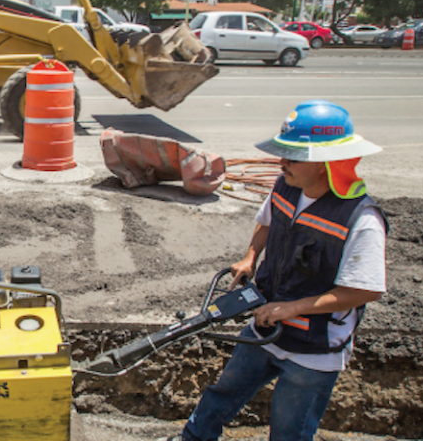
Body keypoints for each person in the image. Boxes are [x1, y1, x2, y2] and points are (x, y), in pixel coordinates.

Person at [164, 100, 388, 441]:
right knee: (222, 393)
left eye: (293, 157)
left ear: (325, 162)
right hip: (264, 326)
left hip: (313, 351)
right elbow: (267, 223)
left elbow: (365, 289)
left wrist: (293, 308)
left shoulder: (361, 220)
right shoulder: (286, 186)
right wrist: (250, 256)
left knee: (289, 430)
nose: (281, 162)